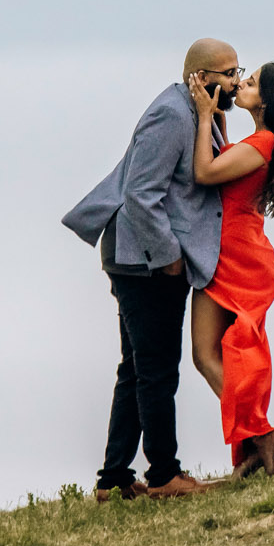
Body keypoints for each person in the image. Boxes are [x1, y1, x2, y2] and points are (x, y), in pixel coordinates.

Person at [61, 39, 241, 501]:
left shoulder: (198, 114)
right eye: (229, 73)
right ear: (200, 78)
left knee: (137, 368)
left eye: (239, 71)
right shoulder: (172, 115)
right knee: (158, 369)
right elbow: (142, 194)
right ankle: (164, 474)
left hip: (143, 259)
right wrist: (171, 259)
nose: (237, 82)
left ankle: (114, 478)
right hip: (142, 261)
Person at [187, 62, 274, 476]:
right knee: (207, 357)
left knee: (216, 354)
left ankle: (261, 436)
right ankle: (259, 439)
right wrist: (216, 112)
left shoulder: (262, 143)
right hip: (233, 253)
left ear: (266, 101)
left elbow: (205, 171)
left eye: (251, 83)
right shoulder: (257, 141)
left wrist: (204, 116)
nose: (241, 83)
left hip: (237, 258)